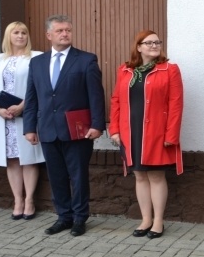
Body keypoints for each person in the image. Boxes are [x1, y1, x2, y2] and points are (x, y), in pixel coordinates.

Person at [23, 14, 106, 237]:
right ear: (48, 35)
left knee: (78, 176)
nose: (65, 34)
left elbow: (96, 96)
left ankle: (80, 218)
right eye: (59, 31)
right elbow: (32, 98)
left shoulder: (86, 60)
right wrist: (30, 127)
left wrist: (97, 125)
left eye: (68, 30)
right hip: (48, 129)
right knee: (56, 175)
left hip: (77, 130)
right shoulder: (37, 62)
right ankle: (64, 216)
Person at [109, 30, 183, 239]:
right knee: (140, 175)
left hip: (157, 132)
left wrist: (172, 134)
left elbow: (176, 104)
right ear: (138, 47)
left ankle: (158, 221)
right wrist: (114, 129)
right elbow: (116, 100)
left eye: (157, 42)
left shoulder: (170, 69)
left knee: (156, 176)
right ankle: (145, 219)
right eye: (148, 43)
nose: (154, 45)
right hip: (131, 131)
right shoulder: (124, 70)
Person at [0, 21, 46, 220]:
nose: (20, 36)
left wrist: (23, 105)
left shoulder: (36, 57)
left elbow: (40, 86)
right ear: (8, 36)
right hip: (4, 117)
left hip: (25, 114)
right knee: (12, 158)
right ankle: (17, 199)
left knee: (28, 158)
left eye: (23, 33)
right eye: (16, 33)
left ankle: (29, 200)